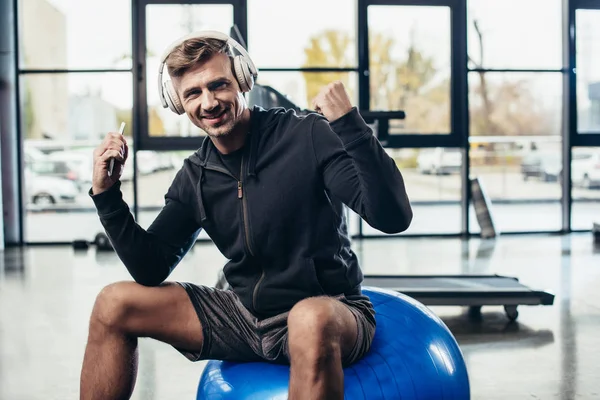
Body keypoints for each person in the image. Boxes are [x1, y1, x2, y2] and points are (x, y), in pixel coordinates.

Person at [80, 30, 412, 400]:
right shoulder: (196, 175)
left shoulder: (307, 136)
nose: (208, 102)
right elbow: (150, 268)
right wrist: (107, 195)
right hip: (243, 316)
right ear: (178, 103)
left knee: (309, 318)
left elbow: (392, 217)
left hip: (329, 310)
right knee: (114, 302)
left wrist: (350, 124)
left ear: (242, 80)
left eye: (218, 85)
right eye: (192, 93)